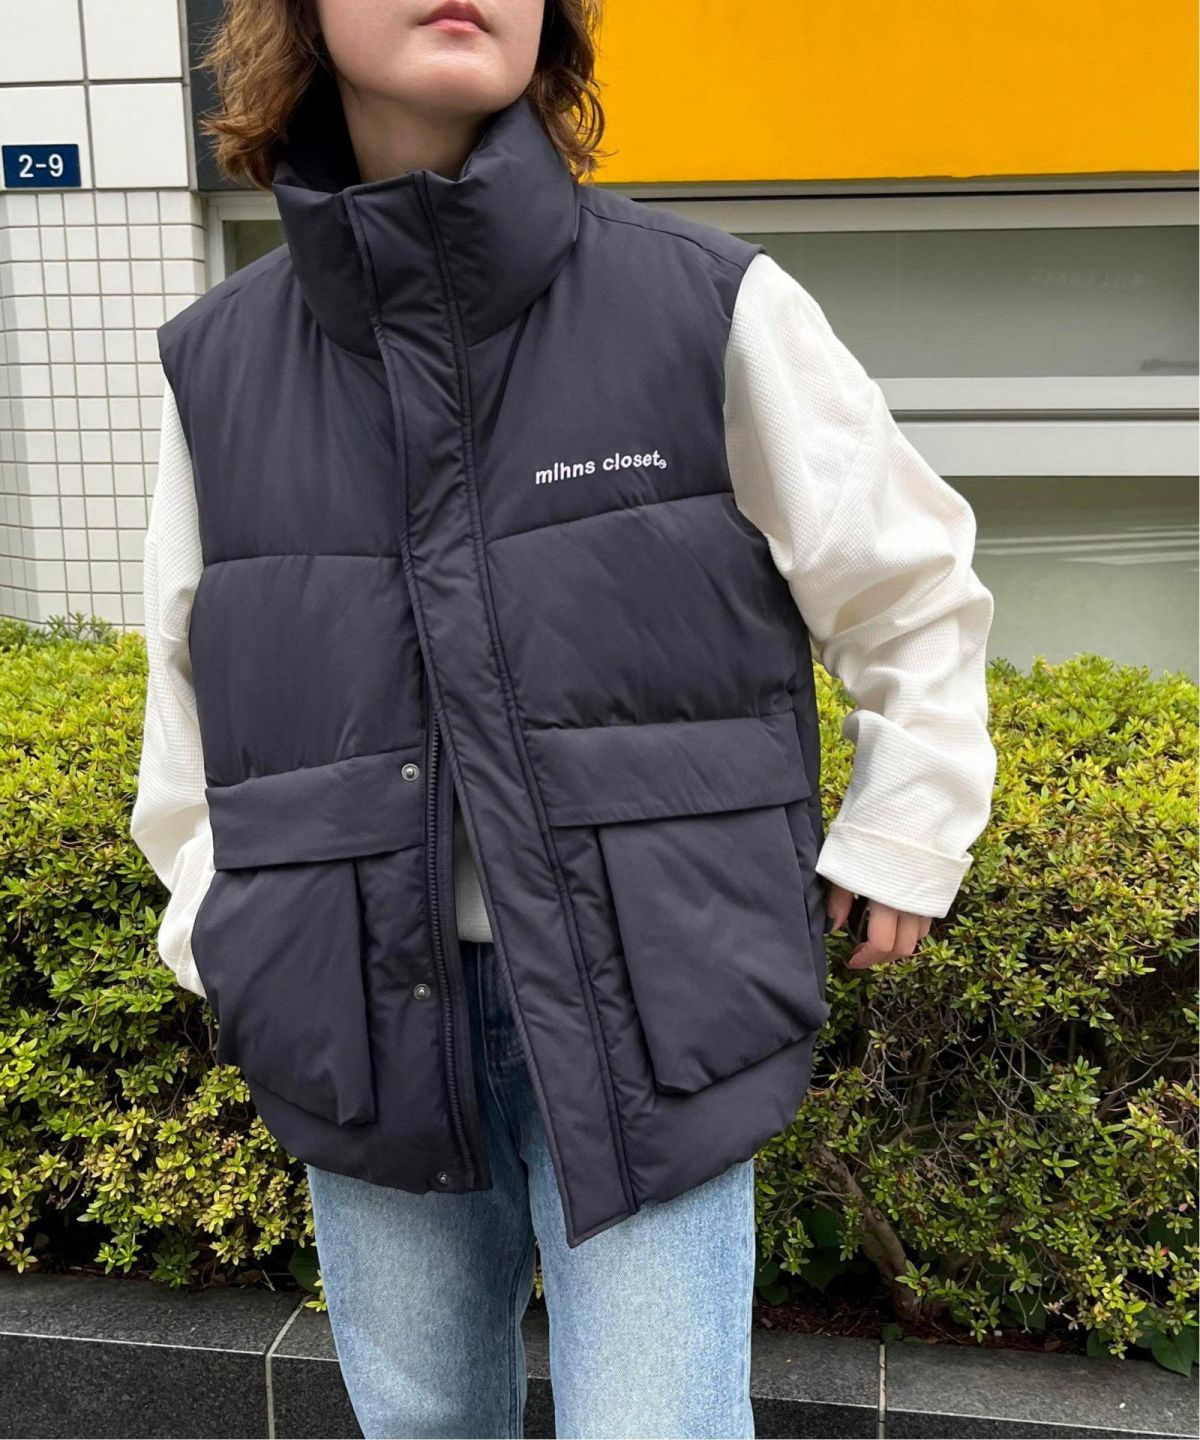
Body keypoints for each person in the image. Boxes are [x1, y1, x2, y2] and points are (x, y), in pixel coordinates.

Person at [130, 1, 998, 1435]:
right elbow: (187, 688)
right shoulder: (220, 363)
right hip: (357, 999)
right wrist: (226, 929)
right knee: (422, 1426)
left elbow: (905, 584)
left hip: (651, 1001)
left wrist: (908, 823)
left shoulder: (701, 301)